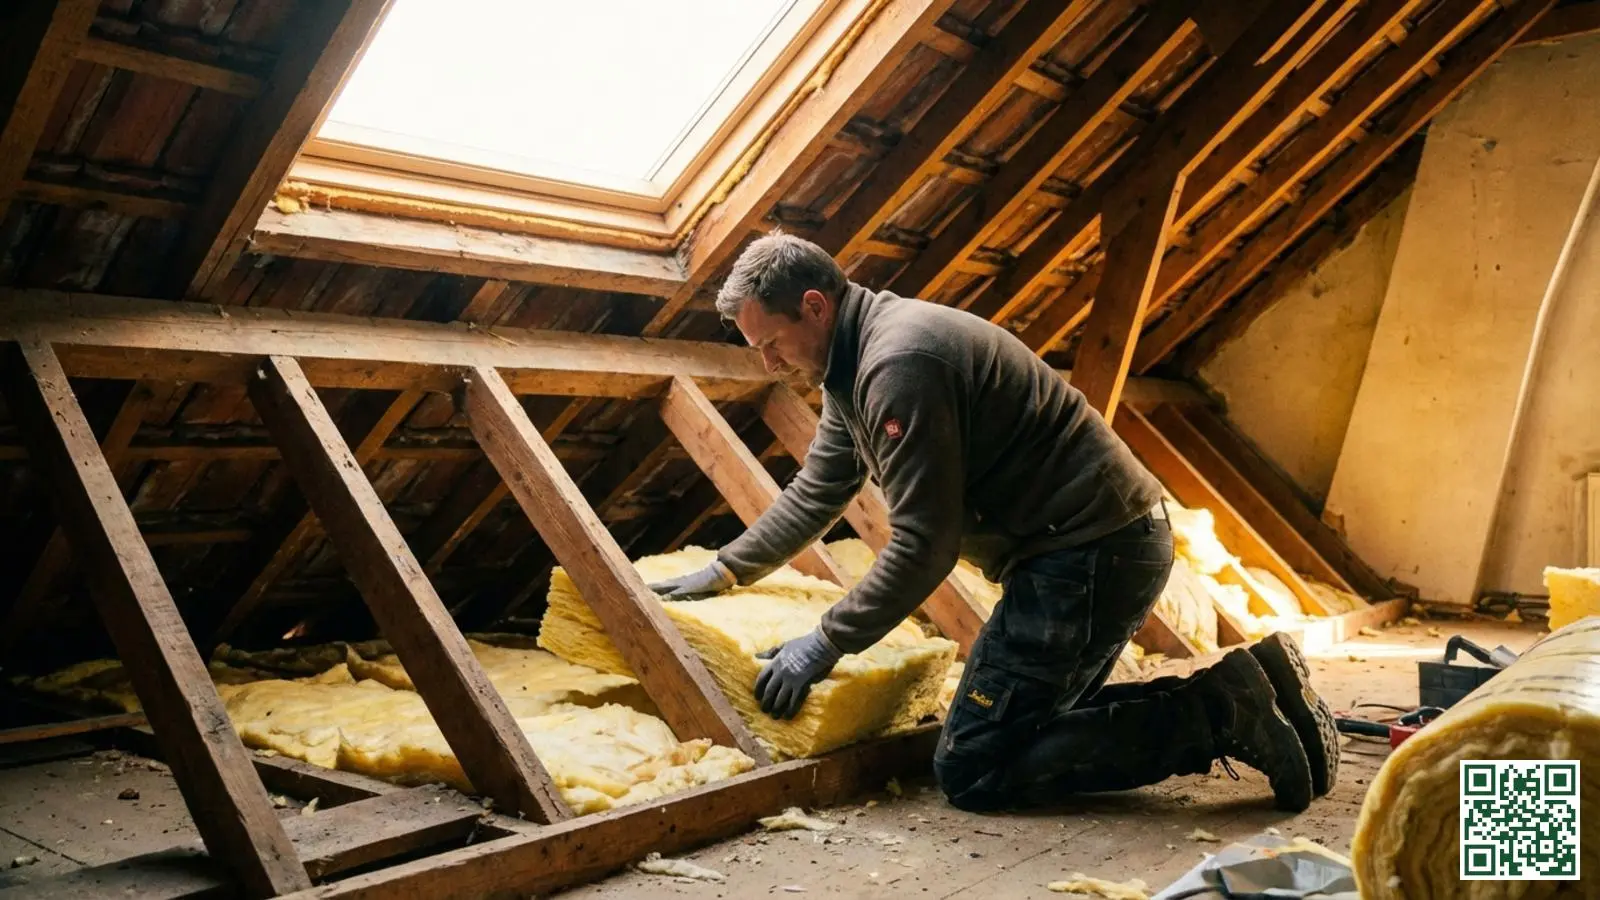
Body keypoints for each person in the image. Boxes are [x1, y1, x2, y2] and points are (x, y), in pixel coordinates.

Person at [646, 230, 1338, 813]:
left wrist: (824, 643)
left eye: (770, 343)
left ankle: (1222, 712)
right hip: (1090, 547)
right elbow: (820, 487)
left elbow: (925, 545)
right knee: (1023, 723)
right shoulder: (852, 366)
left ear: (815, 306)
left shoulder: (898, 366)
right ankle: (1258, 686)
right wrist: (727, 567)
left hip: (1089, 555)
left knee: (975, 763)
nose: (768, 363)